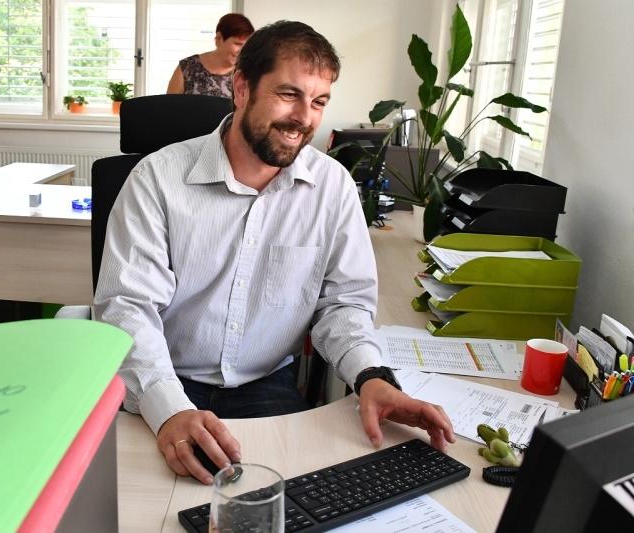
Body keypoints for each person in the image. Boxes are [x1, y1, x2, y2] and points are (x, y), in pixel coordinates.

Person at [95, 20, 455, 485]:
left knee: (291, 502)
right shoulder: (157, 179)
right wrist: (169, 409)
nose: (304, 117)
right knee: (147, 501)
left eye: (319, 101)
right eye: (289, 94)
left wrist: (372, 376)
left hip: (265, 386)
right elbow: (128, 307)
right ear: (242, 87)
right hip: (160, 380)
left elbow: (343, 303)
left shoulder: (332, 188)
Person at [166, 13, 254, 97]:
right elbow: (169, 105)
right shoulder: (187, 67)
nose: (242, 51)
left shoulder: (248, 74)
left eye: (246, 45)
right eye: (237, 44)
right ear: (219, 39)